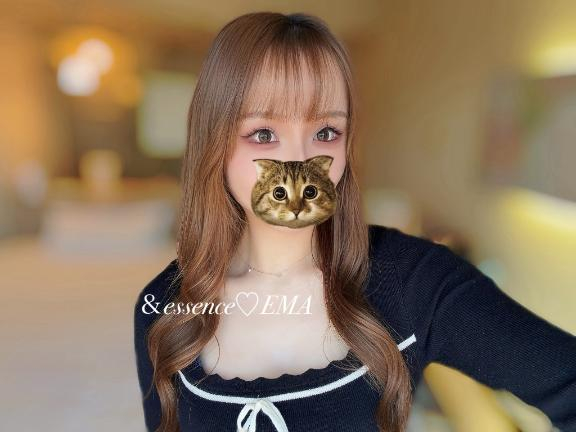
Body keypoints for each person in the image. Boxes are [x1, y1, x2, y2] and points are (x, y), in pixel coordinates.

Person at [133, 12, 576, 432]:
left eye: (326, 132)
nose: (299, 161)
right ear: (214, 142)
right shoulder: (161, 309)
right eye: (263, 134)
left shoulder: (415, 282)